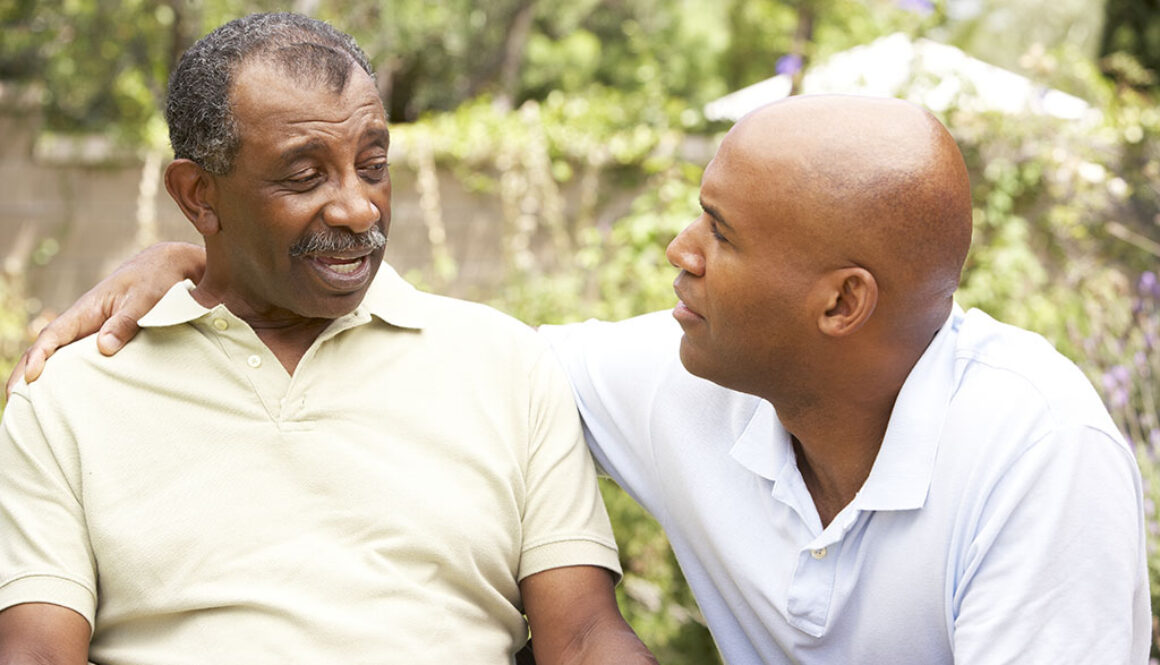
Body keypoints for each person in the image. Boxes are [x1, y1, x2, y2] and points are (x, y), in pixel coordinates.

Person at [6, 93, 1149, 663]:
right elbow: (454, 356)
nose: (676, 254)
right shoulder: (678, 371)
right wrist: (199, 262)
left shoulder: (1033, 452)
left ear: (841, 302)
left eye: (719, 233)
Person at [0, 13, 658, 665]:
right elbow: (36, 652)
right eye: (305, 176)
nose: (358, 208)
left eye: (372, 165)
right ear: (198, 194)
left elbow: (581, 639)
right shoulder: (71, 395)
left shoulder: (508, 365)